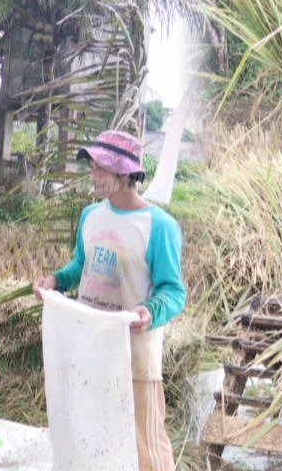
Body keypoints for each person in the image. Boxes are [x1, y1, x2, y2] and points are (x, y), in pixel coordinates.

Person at [32, 130, 186, 471]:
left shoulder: (158, 226)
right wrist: (56, 279)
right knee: (95, 436)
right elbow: (80, 266)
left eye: (102, 168)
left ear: (126, 174)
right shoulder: (90, 216)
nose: (94, 175)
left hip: (135, 356)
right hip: (91, 350)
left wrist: (149, 310)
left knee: (145, 445)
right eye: (92, 166)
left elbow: (174, 292)